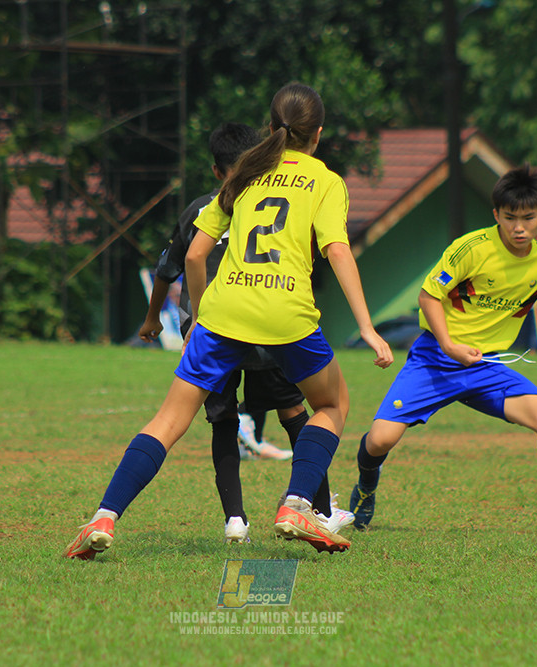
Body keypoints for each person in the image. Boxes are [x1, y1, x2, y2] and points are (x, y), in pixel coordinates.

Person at [66, 82, 393, 560]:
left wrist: (199, 319)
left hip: (222, 312)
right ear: (317, 134)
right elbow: (337, 249)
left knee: (168, 420)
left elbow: (196, 255)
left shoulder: (242, 174)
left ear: (270, 126)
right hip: (286, 313)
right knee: (332, 403)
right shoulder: (325, 181)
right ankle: (297, 504)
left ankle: (104, 516)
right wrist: (366, 326)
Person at [348, 164, 537, 538]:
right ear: (496, 214)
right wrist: (449, 344)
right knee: (381, 439)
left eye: (528, 218)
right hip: (435, 358)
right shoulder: (472, 249)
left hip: (485, 365)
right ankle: (366, 486)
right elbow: (428, 296)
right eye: (510, 217)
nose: (518, 227)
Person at [136, 122, 353, 543]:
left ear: (217, 171)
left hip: (213, 325)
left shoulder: (203, 206)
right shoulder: (275, 193)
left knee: (221, 420)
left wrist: (152, 320)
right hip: (267, 320)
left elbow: (169, 268)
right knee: (296, 412)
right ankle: (318, 509)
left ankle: (235, 520)